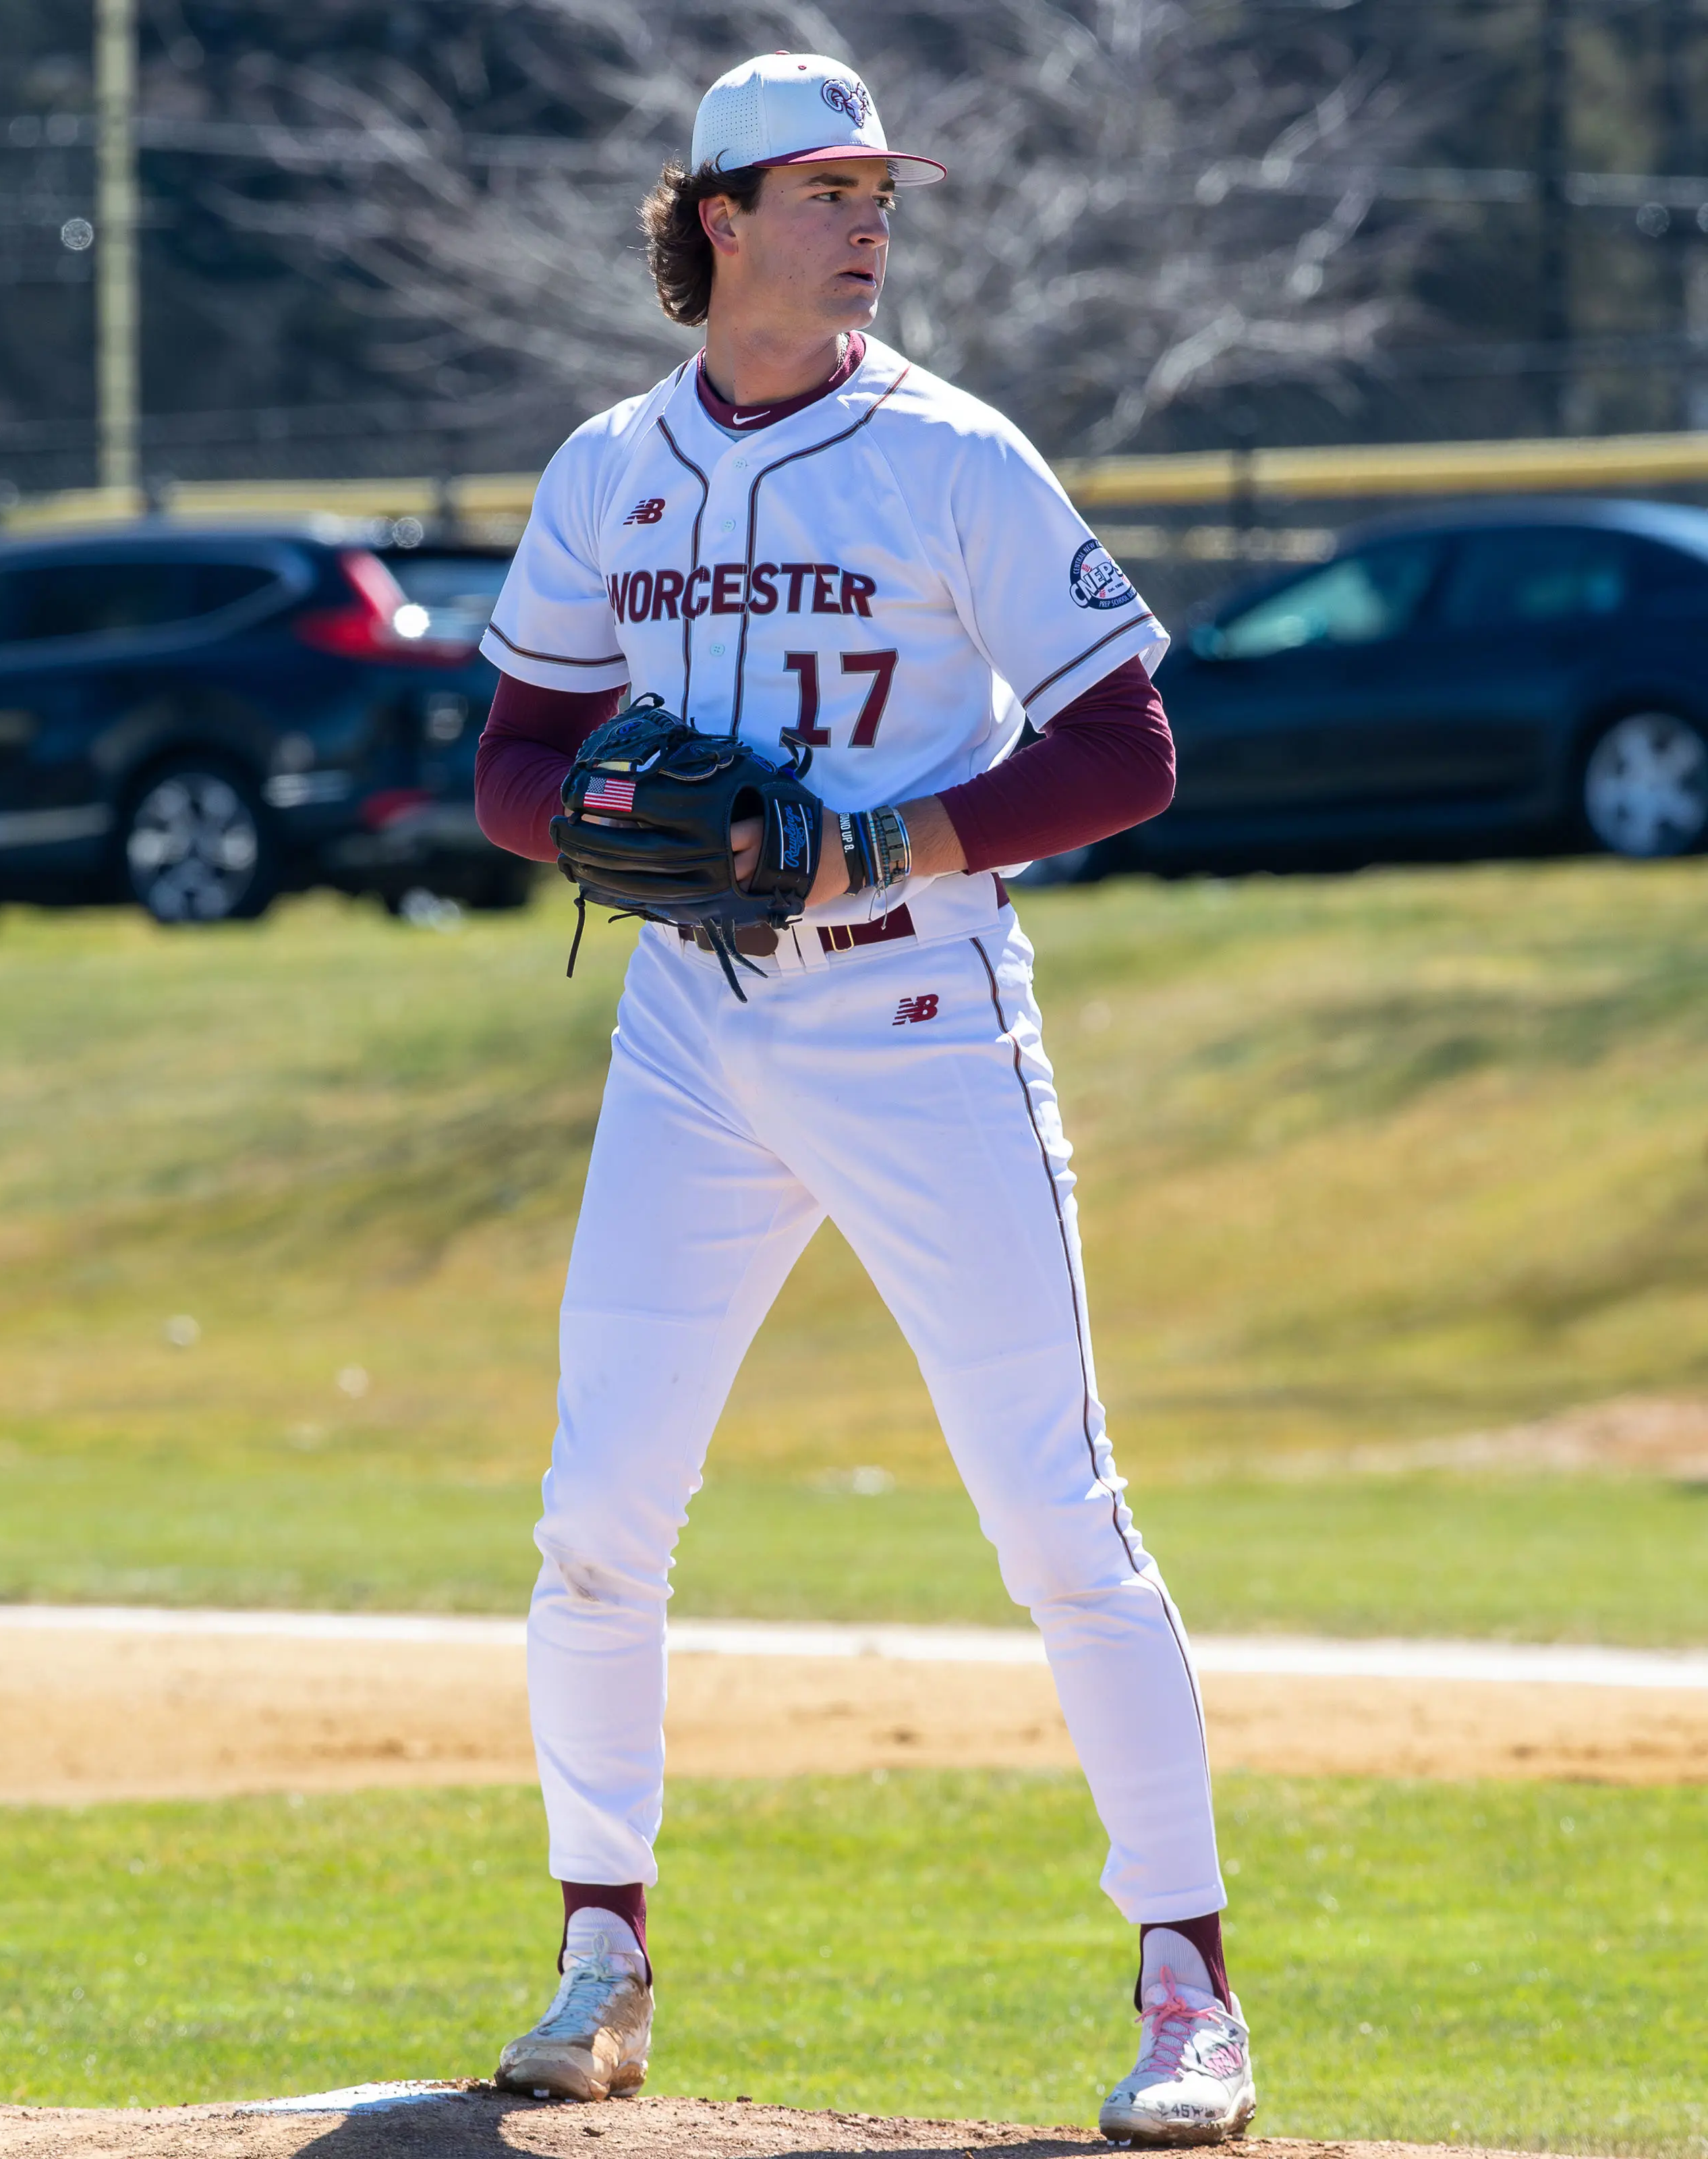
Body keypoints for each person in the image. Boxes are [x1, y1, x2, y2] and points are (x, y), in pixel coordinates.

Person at [472, 49, 1255, 2146]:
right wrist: (603, 829)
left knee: (1052, 1512)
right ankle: (600, 1958)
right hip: (689, 1036)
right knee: (596, 1516)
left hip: (919, 1023)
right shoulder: (610, 469)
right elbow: (511, 760)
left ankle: (1188, 1985)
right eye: (824, 186)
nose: (869, 217)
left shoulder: (952, 458)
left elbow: (1127, 750)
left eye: (878, 185)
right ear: (719, 215)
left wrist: (877, 846)